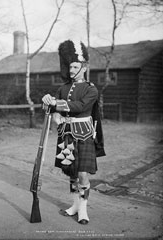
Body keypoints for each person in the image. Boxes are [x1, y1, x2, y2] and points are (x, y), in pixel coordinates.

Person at [42, 40, 105, 225]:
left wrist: (57, 104)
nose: (71, 71)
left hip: (84, 134)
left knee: (83, 175)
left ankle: (83, 210)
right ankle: (75, 205)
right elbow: (51, 108)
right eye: (70, 67)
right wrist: (47, 102)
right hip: (66, 134)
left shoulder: (91, 89)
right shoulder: (63, 88)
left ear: (84, 68)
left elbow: (80, 106)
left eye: (75, 67)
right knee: (71, 172)